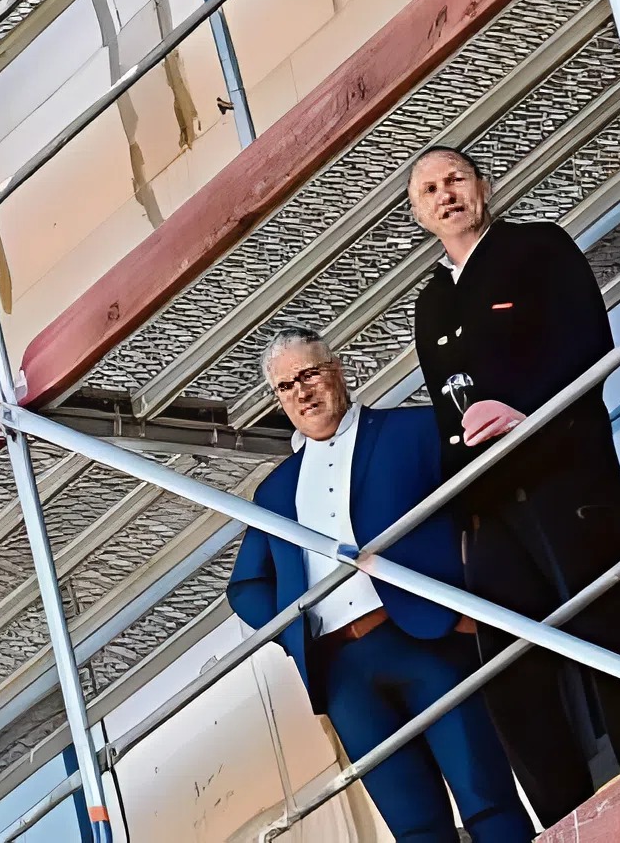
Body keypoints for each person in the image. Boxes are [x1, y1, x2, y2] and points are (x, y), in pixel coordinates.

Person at [407, 144, 620, 827]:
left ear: (484, 184)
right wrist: (463, 517)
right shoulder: (431, 303)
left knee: (599, 625)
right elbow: (449, 412)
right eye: (428, 191)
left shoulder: (538, 248)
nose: (445, 195)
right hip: (493, 503)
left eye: (455, 180)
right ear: (418, 214)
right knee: (510, 669)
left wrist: (525, 411)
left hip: (565, 473)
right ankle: (569, 819)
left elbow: (586, 341)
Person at [227, 327, 531, 843]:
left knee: (486, 798)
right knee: (412, 826)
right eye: (286, 386)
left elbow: (487, 508)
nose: (301, 392)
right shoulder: (275, 489)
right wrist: (296, 629)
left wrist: (474, 604)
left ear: (337, 371)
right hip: (342, 671)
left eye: (309, 374)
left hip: (427, 637)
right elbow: (246, 586)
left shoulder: (411, 430)